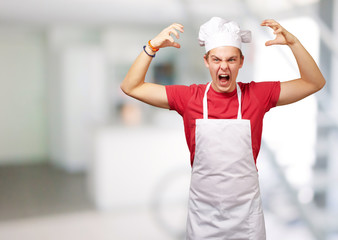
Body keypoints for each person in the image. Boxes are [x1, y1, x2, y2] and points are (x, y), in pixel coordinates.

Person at [120, 17, 325, 240]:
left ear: (241, 62)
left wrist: (293, 43)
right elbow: (131, 86)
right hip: (204, 217)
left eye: (231, 59)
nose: (224, 66)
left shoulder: (257, 95)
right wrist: (152, 47)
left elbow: (313, 82)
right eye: (216, 59)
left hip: (246, 218)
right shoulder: (189, 97)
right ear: (206, 61)